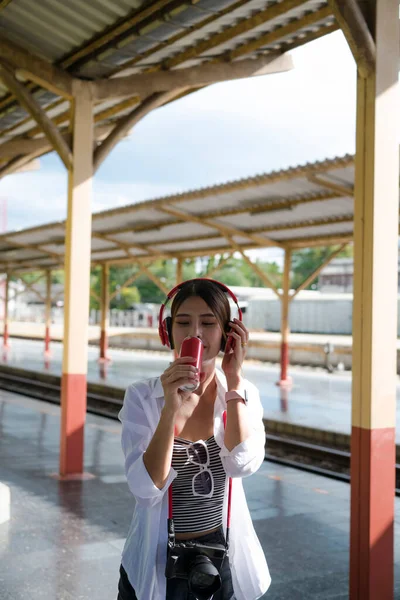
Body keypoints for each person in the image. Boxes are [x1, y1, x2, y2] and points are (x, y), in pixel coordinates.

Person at [117, 278, 271, 600]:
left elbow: (242, 464)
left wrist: (233, 382)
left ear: (229, 334)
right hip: (158, 560)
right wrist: (169, 409)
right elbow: (145, 488)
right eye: (184, 322)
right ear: (167, 332)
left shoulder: (243, 394)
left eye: (209, 323)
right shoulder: (143, 397)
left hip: (220, 556)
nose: (195, 333)